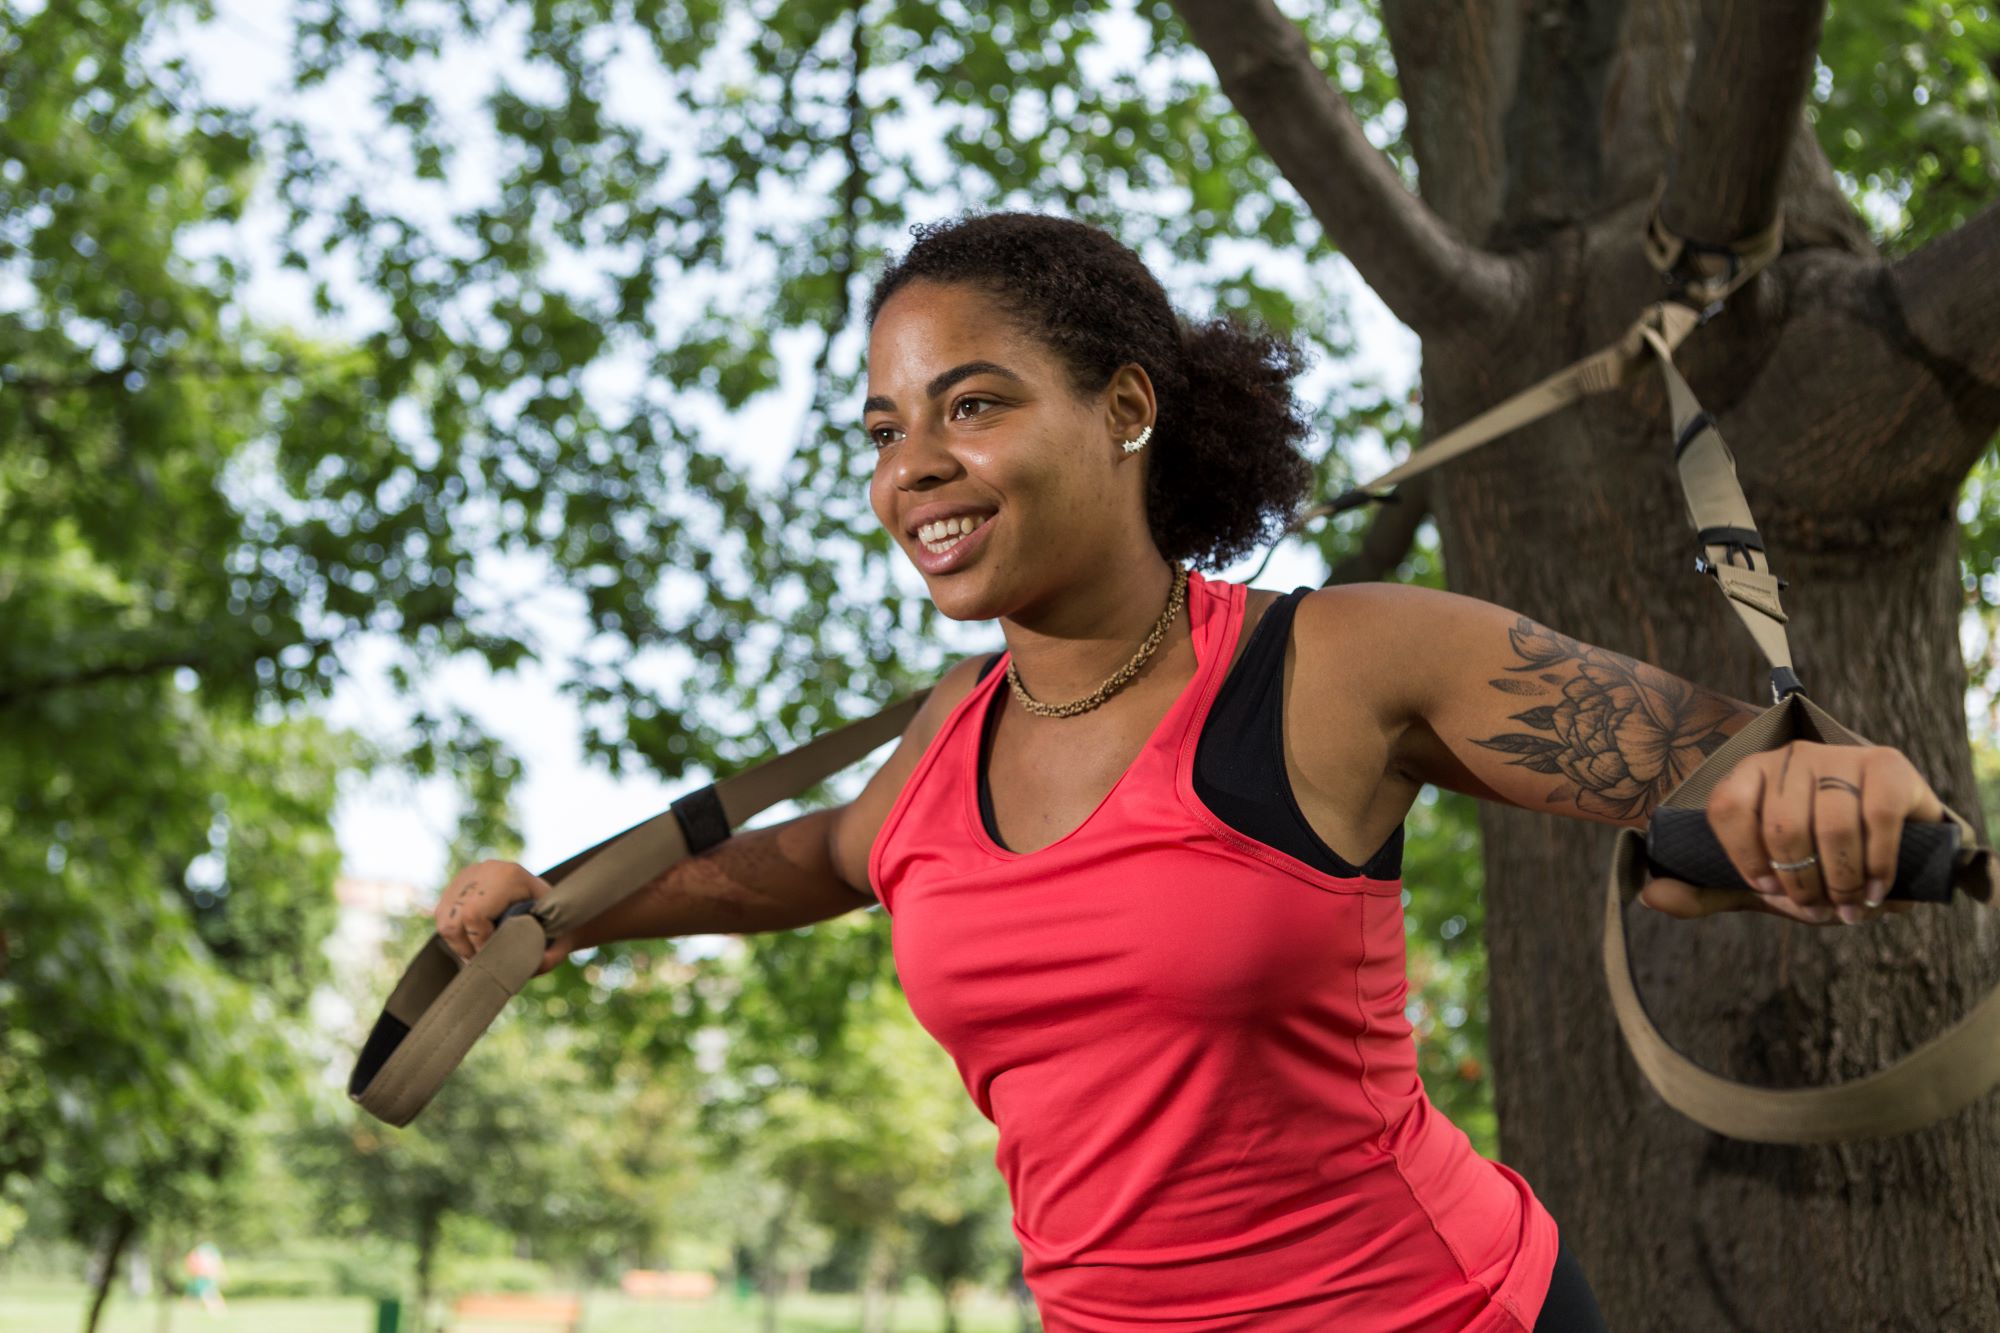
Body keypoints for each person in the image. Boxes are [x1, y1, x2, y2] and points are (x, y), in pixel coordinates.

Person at [437, 212, 1939, 1330]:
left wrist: (1823, 796)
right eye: (887, 430)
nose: (915, 468)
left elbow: (1725, 765)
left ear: (1128, 408)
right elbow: (814, 858)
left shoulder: (1339, 662)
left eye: (974, 404)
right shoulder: (936, 751)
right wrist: (562, 907)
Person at [182, 1239, 225, 1316]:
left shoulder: (202, 1255)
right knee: (200, 1293)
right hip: (200, 1276)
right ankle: (214, 1309)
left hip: (203, 1276)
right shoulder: (197, 1255)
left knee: (207, 1293)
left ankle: (215, 1309)